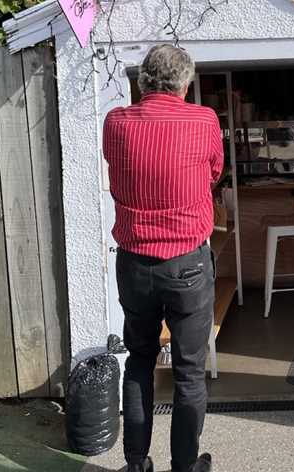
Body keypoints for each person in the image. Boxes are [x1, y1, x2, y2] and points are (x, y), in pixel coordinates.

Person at [103, 45, 220, 472]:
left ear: (143, 81)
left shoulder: (116, 122)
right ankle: (184, 467)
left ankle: (136, 464)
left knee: (139, 360)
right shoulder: (204, 119)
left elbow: (115, 166)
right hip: (188, 260)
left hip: (135, 262)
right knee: (189, 371)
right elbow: (212, 173)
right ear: (185, 85)